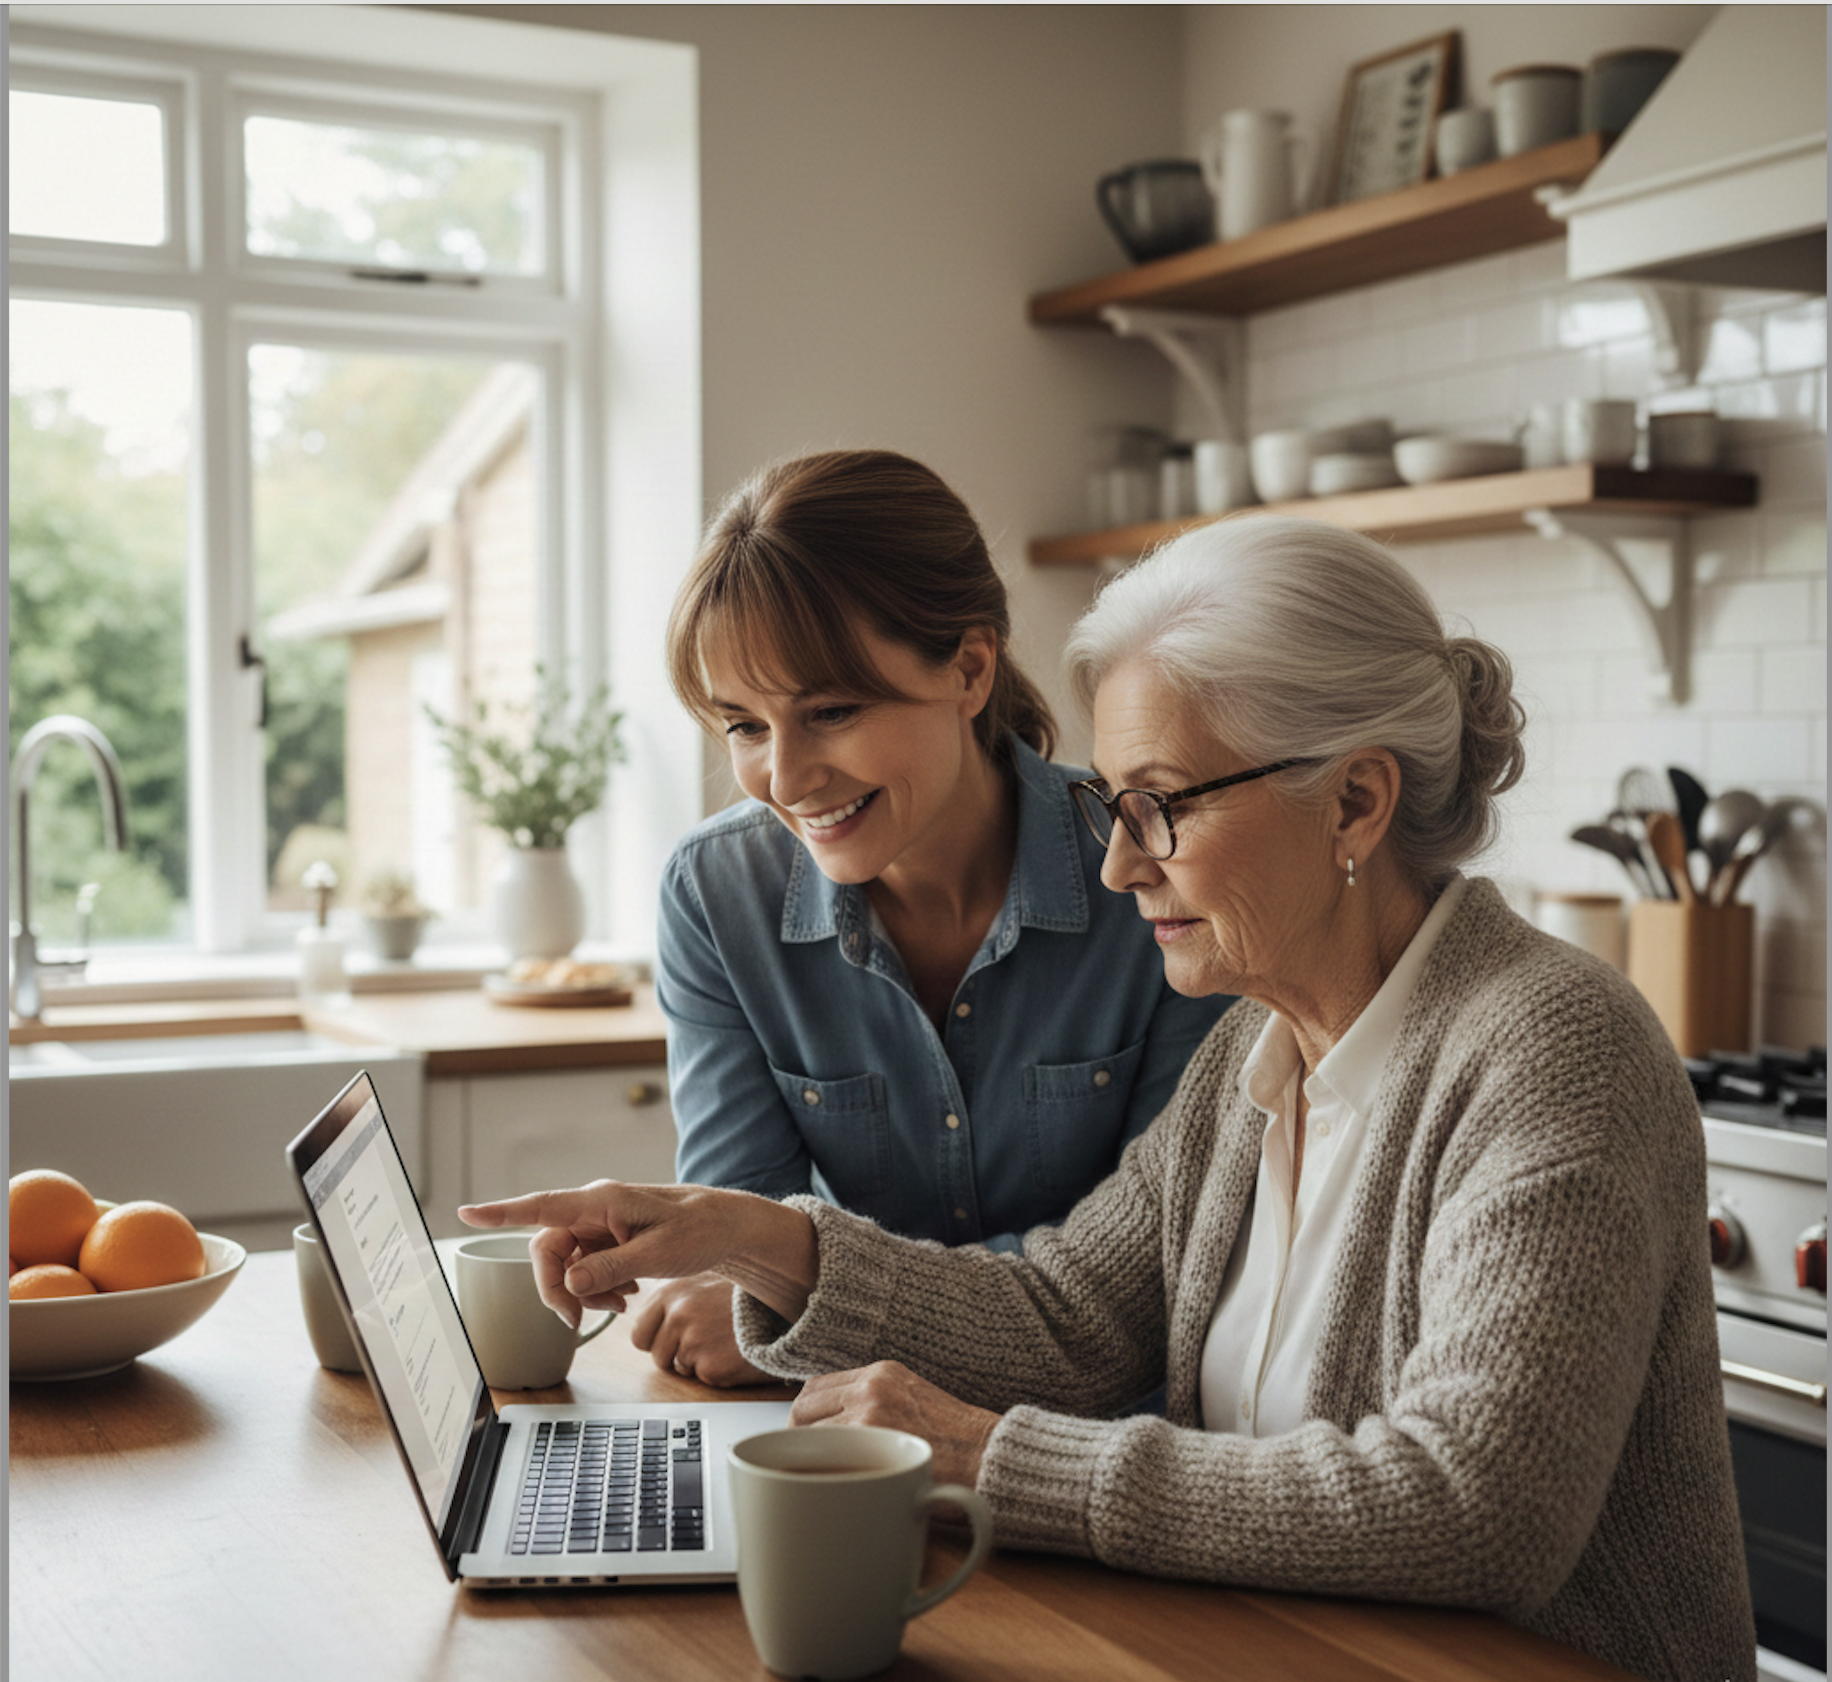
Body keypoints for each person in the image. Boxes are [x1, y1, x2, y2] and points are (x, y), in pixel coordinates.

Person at [464, 516, 1754, 1681]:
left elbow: (1473, 1502)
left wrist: (991, 1460)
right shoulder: (1260, 1047)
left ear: (1354, 799)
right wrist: (756, 1235)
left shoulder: (1550, 1047)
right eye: (1112, 804)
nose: (1121, 859)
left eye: (1161, 806)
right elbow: (1074, 1314)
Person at [638, 449, 1228, 1385]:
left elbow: (1160, 1273)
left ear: (969, 669)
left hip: (1098, 1437)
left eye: (830, 710)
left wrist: (810, 1305)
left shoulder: (1154, 872)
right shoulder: (716, 897)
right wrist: (759, 1280)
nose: (784, 781)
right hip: (848, 1439)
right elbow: (737, 1234)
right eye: (745, 726)